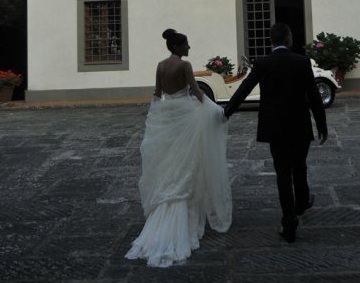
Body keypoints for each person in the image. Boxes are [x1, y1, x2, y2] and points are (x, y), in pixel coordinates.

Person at [125, 28, 232, 268]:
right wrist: (218, 111)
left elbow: (157, 94)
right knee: (187, 166)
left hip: (167, 116)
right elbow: (196, 92)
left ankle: (167, 213)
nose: (189, 48)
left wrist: (155, 120)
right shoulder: (185, 66)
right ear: (179, 47)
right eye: (187, 45)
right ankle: (185, 222)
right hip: (185, 116)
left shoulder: (161, 66)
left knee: (170, 165)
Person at [223, 22, 327, 243]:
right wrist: (322, 124)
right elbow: (314, 96)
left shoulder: (262, 63)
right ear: (288, 38)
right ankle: (301, 203)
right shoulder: (302, 62)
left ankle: (289, 221)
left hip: (275, 127)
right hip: (300, 125)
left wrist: (227, 111)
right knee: (299, 165)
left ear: (272, 40)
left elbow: (244, 89)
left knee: (282, 173)